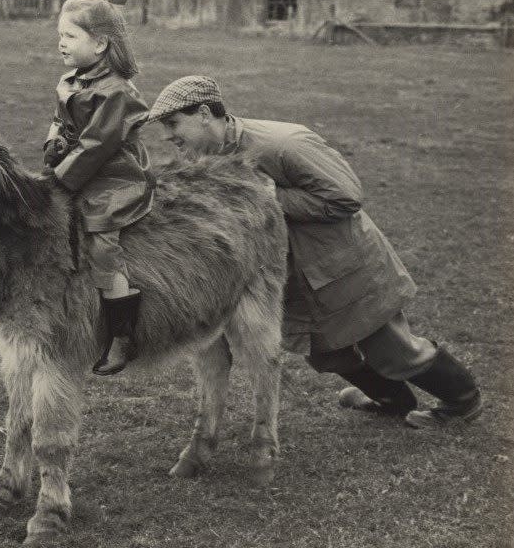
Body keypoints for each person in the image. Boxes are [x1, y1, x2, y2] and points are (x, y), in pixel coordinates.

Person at [145, 75, 482, 428]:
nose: (168, 136)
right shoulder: (205, 159)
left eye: (172, 124)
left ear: (203, 113)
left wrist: (265, 197)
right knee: (327, 353)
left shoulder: (282, 143)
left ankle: (462, 401)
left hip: (344, 268)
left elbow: (346, 196)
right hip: (297, 278)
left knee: (394, 351)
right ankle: (391, 399)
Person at [43, 0, 154, 376]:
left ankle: (123, 334)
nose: (60, 43)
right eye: (60, 34)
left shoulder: (116, 93)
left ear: (100, 43)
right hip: (78, 169)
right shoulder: (70, 80)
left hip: (112, 178)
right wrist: (53, 143)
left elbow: (96, 146)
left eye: (70, 36)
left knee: (103, 242)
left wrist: (60, 179)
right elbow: (60, 122)